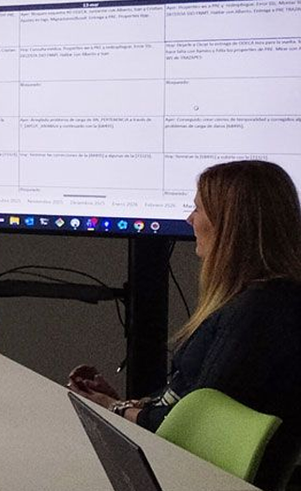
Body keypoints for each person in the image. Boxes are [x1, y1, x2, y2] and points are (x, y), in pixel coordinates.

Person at [67, 160, 301, 490]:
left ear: (230, 225)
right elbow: (185, 401)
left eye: (198, 209)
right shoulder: (262, 300)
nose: (190, 219)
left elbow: (197, 428)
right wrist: (129, 404)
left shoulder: (255, 315)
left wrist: (113, 408)